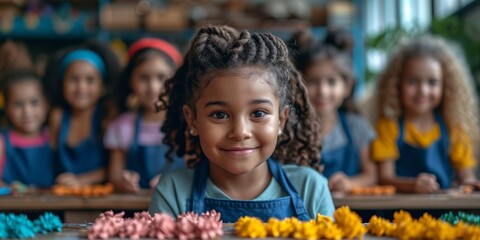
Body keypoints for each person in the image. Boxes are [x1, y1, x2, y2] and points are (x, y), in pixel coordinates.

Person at [148, 26, 334, 222]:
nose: (240, 132)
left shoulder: (310, 189)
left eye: (258, 113)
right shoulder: (173, 191)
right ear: (192, 119)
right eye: (219, 115)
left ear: (281, 119)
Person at [371, 35, 480, 193]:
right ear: (396, 84)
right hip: (398, 214)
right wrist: (413, 185)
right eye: (413, 81)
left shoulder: (453, 128)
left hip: (445, 215)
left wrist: (472, 184)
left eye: (432, 82)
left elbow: (466, 176)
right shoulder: (388, 126)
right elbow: (384, 178)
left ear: (446, 86)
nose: (423, 90)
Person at [291, 31, 376, 193]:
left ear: (347, 87)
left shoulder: (356, 126)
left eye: (331, 82)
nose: (323, 91)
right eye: (313, 81)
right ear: (299, 86)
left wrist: (349, 183)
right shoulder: (290, 129)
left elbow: (371, 175)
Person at [105, 38, 185, 193]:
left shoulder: (187, 124)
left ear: (175, 81)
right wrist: (122, 179)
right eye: (143, 78)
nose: (153, 87)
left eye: (161, 77)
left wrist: (173, 180)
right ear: (130, 81)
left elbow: (198, 171)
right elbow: (114, 175)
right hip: (133, 211)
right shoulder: (121, 126)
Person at [45, 41, 120, 186]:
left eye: (90, 80)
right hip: (62, 195)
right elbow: (50, 161)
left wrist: (81, 181)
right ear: (62, 84)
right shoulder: (58, 117)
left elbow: (113, 167)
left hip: (101, 198)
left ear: (102, 87)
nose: (81, 87)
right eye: (73, 79)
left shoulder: (107, 117)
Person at [0, 70, 54, 187]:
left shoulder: (53, 137)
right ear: (7, 108)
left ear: (46, 104)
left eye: (34, 103)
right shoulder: (2, 142)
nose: (27, 111)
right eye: (18, 104)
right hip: (12, 205)